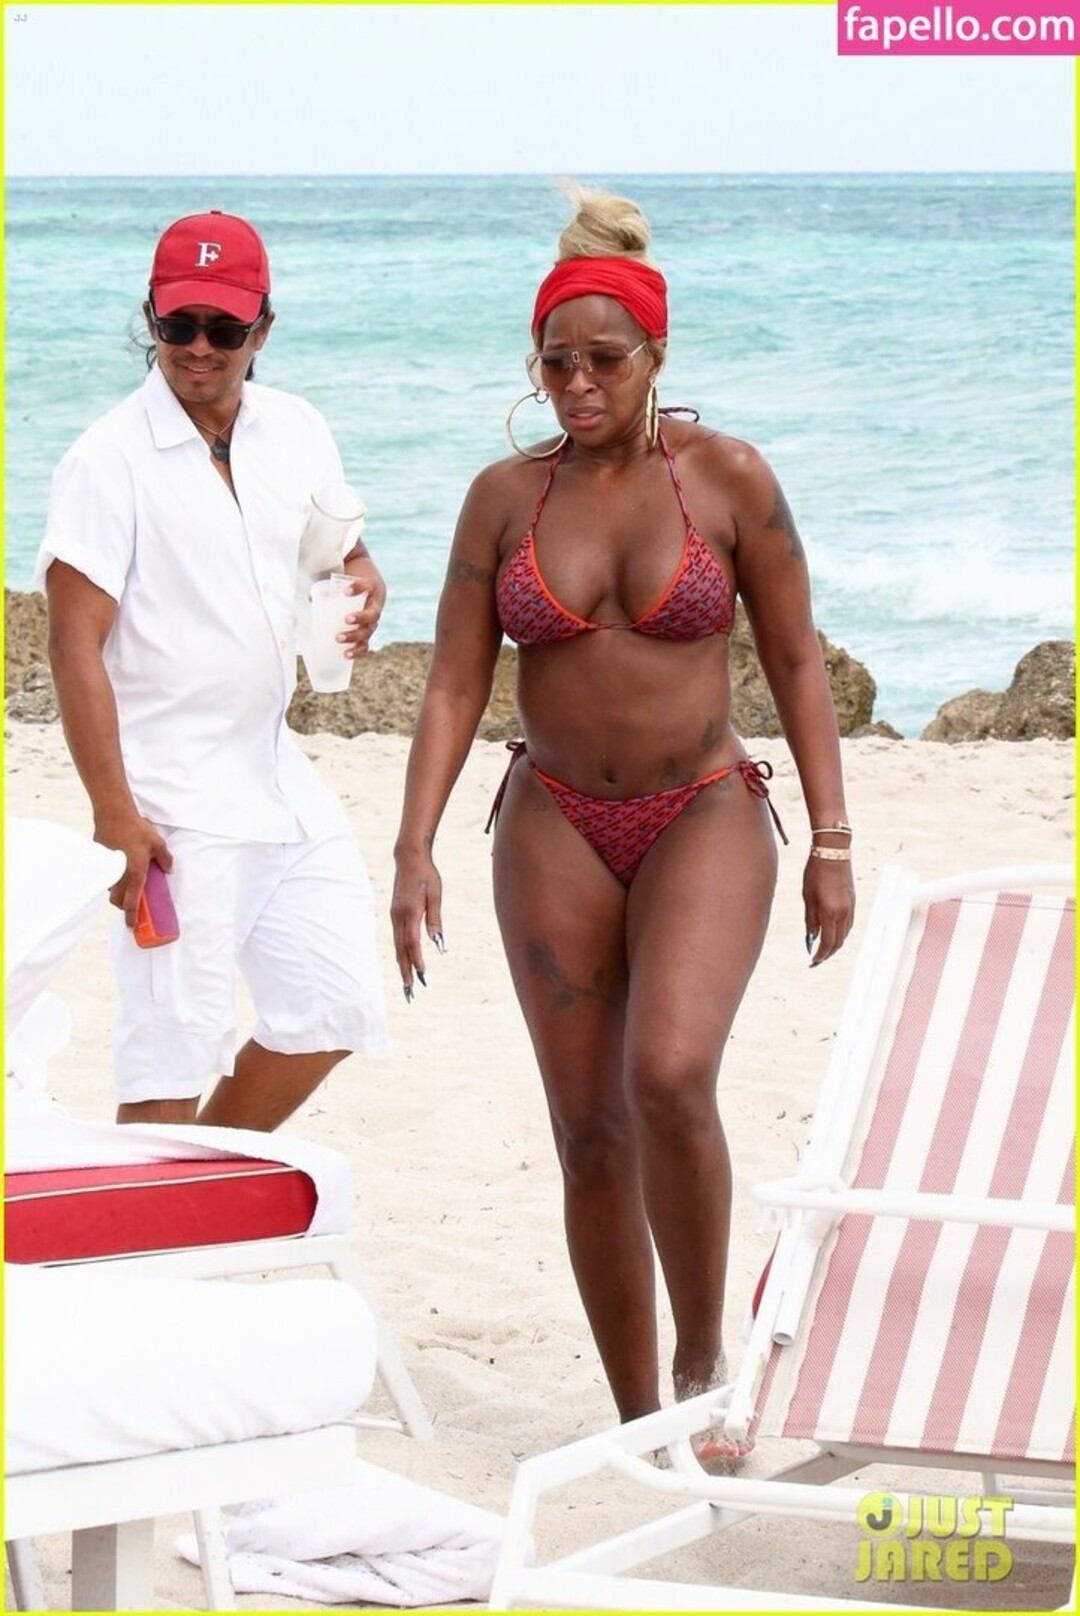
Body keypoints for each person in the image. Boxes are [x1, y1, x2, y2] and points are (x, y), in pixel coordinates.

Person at [391, 185, 855, 1454]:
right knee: (588, 1127)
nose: (578, 384)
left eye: (604, 359)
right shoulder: (505, 497)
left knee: (669, 1074)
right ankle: (637, 1413)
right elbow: (453, 682)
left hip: (702, 807)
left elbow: (797, 658)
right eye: (556, 362)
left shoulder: (729, 478)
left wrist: (832, 838)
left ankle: (704, 1352)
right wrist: (413, 844)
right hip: (552, 816)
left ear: (656, 352)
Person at [38, 209, 389, 1129]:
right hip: (170, 795)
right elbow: (73, 644)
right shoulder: (105, 460)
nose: (199, 347)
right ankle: (159, 1209)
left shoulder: (297, 429)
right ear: (150, 319)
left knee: (333, 1005)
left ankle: (194, 1188)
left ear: (262, 329)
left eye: (224, 329)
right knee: (170, 1052)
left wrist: (364, 580)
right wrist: (115, 814)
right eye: (178, 324)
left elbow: (340, 553)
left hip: (277, 772)